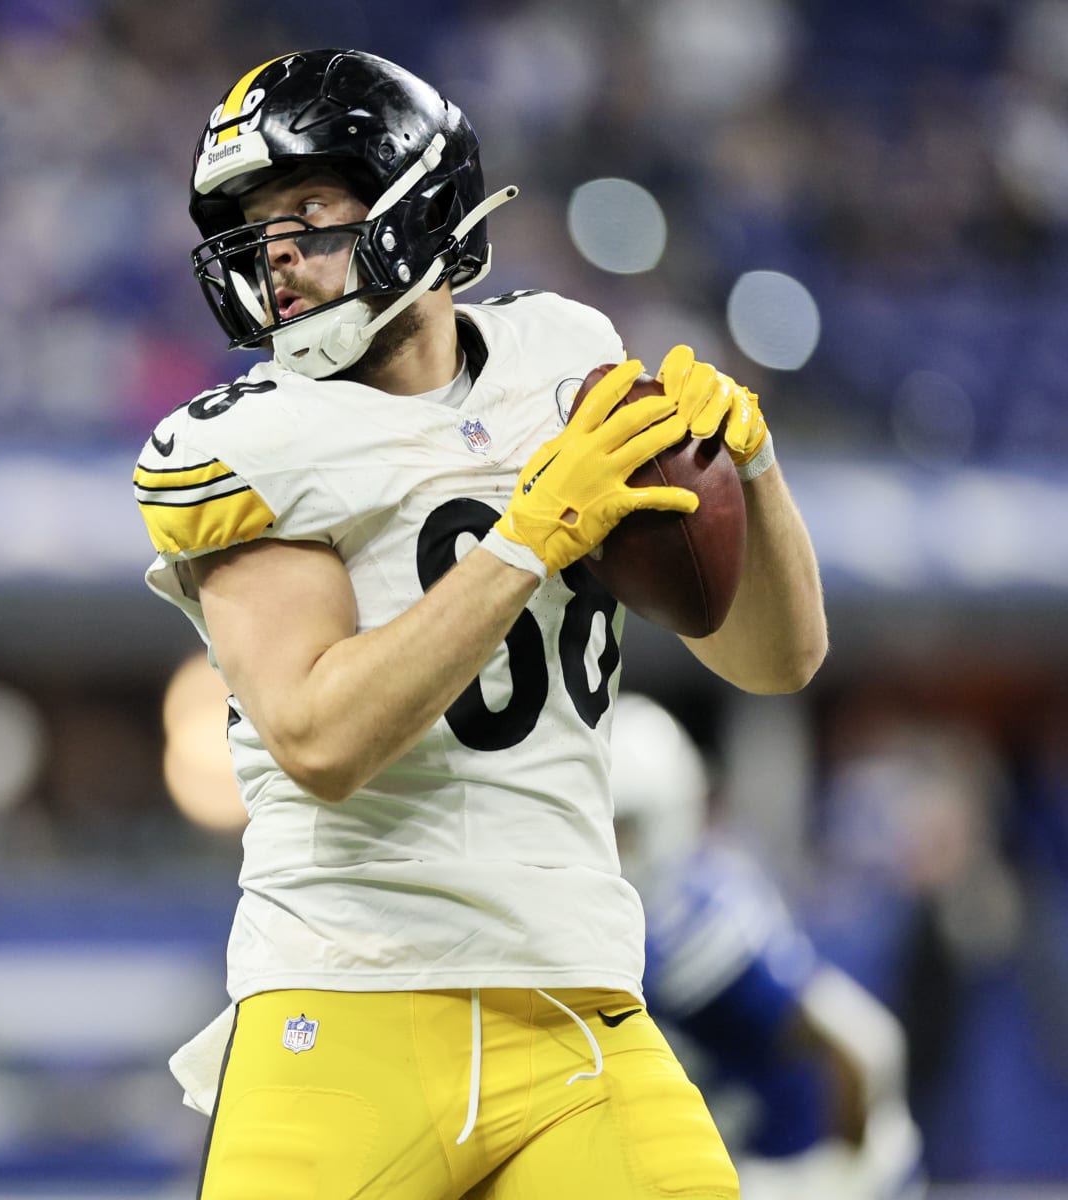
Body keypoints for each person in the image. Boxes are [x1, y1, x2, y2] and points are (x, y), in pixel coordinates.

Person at [132, 49, 828, 1199]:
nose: (281, 257)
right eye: (260, 229)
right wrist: (526, 542)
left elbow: (778, 658)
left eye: (309, 211)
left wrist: (751, 466)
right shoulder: (244, 441)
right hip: (344, 998)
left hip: (573, 1000)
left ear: (417, 198)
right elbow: (320, 739)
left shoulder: (565, 358)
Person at [609, 693, 925, 1200]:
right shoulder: (672, 897)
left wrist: (843, 1178)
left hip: (785, 1167)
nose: (605, 846)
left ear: (668, 816)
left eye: (620, 828)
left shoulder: (688, 926)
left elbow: (865, 1046)